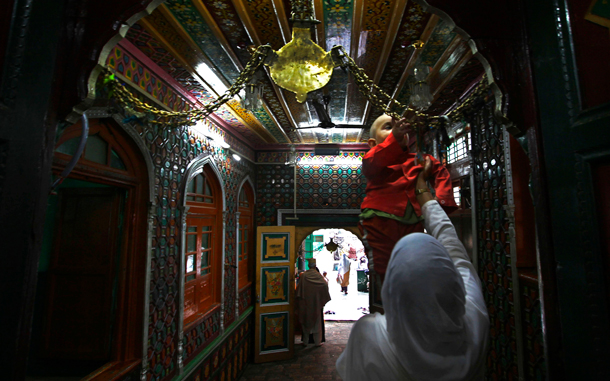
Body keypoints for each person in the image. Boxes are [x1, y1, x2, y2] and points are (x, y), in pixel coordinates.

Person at [336, 157, 489, 380]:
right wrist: (421, 188)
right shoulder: (474, 321)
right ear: (454, 284)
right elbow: (453, 247)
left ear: (391, 287)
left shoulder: (369, 335)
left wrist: (419, 189)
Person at [359, 114, 457, 282]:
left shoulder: (419, 159)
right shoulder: (373, 158)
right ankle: (389, 303)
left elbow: (440, 173)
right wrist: (394, 138)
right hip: (380, 219)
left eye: (400, 128)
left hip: (413, 220)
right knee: (386, 269)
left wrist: (441, 204)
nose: (397, 130)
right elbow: (372, 164)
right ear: (373, 143)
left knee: (413, 264)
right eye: (389, 127)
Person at [296, 258, 331, 347]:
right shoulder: (318, 276)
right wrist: (320, 297)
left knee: (305, 321)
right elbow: (324, 285)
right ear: (315, 266)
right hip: (316, 302)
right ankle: (317, 342)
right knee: (316, 323)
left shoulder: (304, 276)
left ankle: (305, 342)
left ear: (308, 265)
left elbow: (299, 290)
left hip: (306, 303)